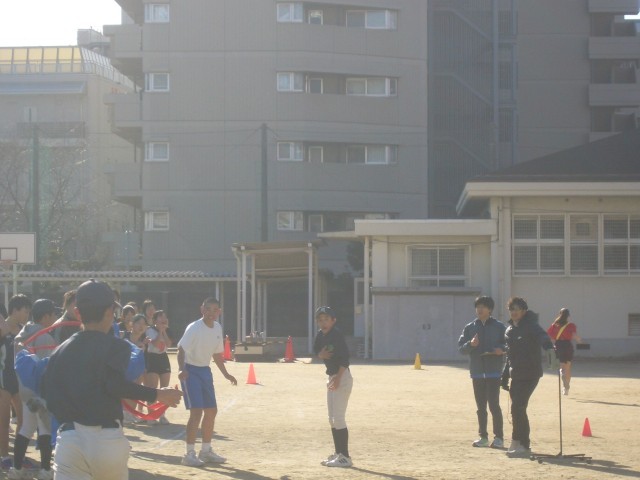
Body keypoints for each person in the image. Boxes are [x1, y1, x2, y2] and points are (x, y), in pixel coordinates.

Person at [41, 279, 182, 480]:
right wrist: (158, 394)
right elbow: (116, 385)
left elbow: (48, 396)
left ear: (78, 312)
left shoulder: (59, 351)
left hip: (69, 441)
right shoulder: (117, 347)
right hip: (107, 440)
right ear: (110, 311)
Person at [177, 297, 237, 467]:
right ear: (202, 309)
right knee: (196, 412)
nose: (211, 313)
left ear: (219, 312)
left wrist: (226, 374)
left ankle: (206, 451)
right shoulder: (194, 327)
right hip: (190, 371)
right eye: (208, 309)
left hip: (205, 371)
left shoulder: (217, 327)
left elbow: (217, 355)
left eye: (215, 310)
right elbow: (181, 349)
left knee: (211, 411)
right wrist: (182, 369)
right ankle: (189, 454)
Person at [11, 299, 60, 480]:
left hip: (25, 391)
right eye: (53, 315)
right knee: (44, 429)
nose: (55, 318)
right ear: (46, 316)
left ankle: (16, 469)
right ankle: (46, 470)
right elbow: (45, 368)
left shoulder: (23, 333)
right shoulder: (44, 336)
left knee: (26, 429)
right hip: (39, 392)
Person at [501, 297, 554, 457]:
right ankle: (516, 441)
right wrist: (505, 375)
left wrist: (549, 348)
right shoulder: (509, 330)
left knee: (519, 406)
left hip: (531, 374)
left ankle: (524, 444)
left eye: (517, 309)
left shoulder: (532, 326)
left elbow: (543, 337)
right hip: (516, 374)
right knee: (515, 409)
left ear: (524, 311)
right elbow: (509, 356)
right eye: (511, 309)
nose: (514, 312)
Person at [458, 296, 506, 449]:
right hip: (477, 372)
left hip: (494, 372)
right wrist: (470, 344)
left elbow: (508, 344)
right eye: (477, 307)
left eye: (483, 307)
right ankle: (483, 437)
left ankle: (499, 438)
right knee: (480, 407)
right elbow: (461, 348)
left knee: (494, 405)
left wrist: (502, 350)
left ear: (490, 309)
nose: (479, 309)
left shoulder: (499, 327)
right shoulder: (470, 327)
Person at [313, 306, 353, 468]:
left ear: (333, 321)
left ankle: (345, 457)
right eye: (320, 320)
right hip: (332, 377)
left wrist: (338, 379)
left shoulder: (336, 336)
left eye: (326, 319)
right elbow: (316, 350)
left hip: (342, 377)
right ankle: (338, 454)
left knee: (338, 418)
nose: (323, 322)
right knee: (331, 419)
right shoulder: (320, 335)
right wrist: (320, 355)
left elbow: (345, 360)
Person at [0, 295, 30, 468]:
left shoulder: (24, 330)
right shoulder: (2, 327)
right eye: (25, 311)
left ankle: (19, 456)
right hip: (3, 377)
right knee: (3, 420)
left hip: (19, 379)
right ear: (15, 310)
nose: (27, 315)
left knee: (23, 420)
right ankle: (4, 456)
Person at [144, 310, 174, 424]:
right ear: (155, 320)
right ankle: (151, 415)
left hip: (163, 358)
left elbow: (169, 344)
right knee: (152, 388)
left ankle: (162, 415)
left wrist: (164, 331)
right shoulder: (149, 330)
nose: (163, 319)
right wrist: (160, 331)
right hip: (153, 358)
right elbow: (156, 344)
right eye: (161, 317)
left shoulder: (167, 330)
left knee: (164, 389)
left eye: (165, 317)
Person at [547, 308, 583, 396]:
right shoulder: (571, 325)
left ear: (560, 314)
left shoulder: (555, 325)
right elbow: (575, 336)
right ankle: (566, 388)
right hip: (568, 346)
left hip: (559, 345)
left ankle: (562, 373)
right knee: (568, 367)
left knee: (562, 366)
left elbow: (548, 336)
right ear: (568, 316)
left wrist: (553, 342)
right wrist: (580, 342)